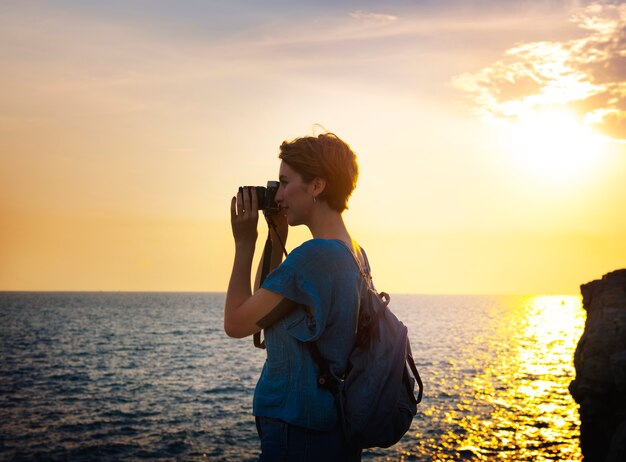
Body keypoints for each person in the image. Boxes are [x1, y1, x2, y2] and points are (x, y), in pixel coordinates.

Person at [224, 132, 365, 461]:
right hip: (333, 431)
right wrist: (277, 236)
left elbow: (237, 323)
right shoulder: (353, 252)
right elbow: (266, 310)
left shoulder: (313, 257)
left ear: (317, 186)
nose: (280, 194)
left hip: (296, 434)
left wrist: (244, 243)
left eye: (286, 182)